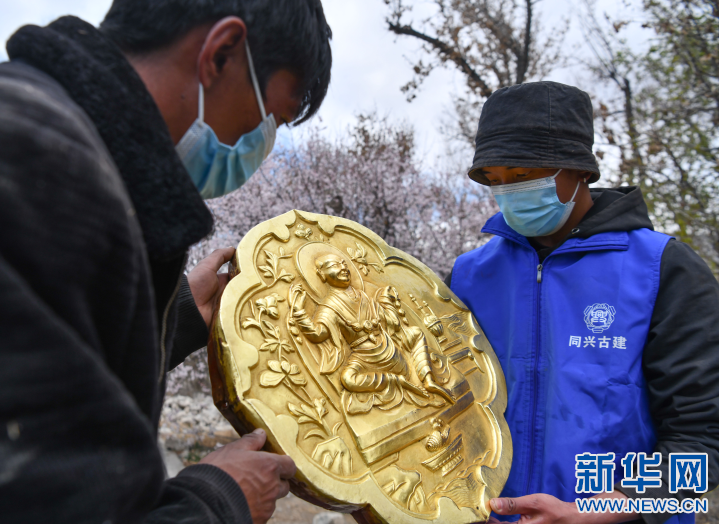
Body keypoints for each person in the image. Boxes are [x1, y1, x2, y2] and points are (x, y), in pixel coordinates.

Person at [0, 1, 331, 523]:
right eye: (271, 120)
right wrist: (218, 500)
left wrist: (173, 318)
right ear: (220, 54)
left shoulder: (70, 156)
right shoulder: (38, 166)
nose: (261, 146)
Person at [444, 81, 719, 523]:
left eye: (523, 176)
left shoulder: (662, 269)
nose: (508, 192)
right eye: (494, 181)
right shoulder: (469, 277)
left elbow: (704, 441)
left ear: (580, 171)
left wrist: (605, 509)